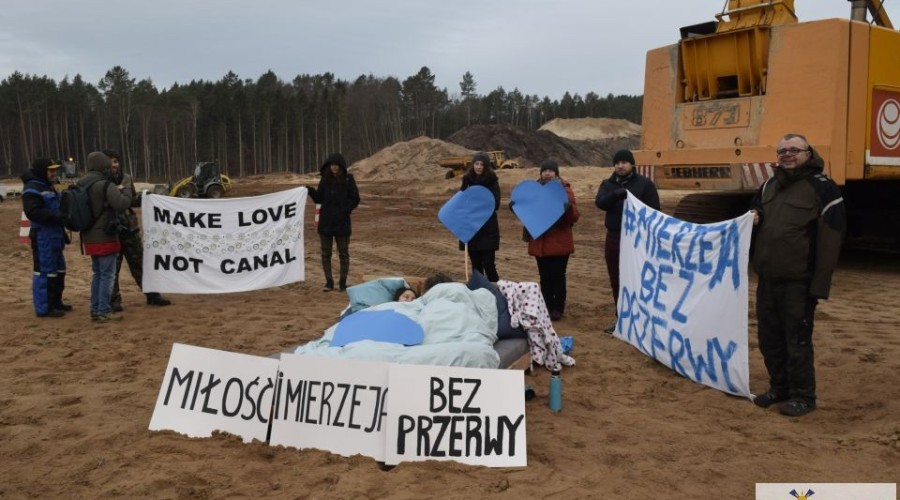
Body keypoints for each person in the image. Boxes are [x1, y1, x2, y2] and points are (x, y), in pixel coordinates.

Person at [750, 133, 845, 417]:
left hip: (799, 283)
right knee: (770, 339)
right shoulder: (769, 184)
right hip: (768, 280)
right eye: (782, 151)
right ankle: (779, 388)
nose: (787, 154)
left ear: (807, 153)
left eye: (794, 149)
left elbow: (832, 237)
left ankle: (804, 396)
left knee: (797, 341)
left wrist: (818, 286)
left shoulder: (823, 188)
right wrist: (755, 214)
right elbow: (756, 211)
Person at [595, 148, 660, 333]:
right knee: (616, 279)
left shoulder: (645, 185)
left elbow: (655, 210)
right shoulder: (608, 184)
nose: (620, 166)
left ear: (632, 164)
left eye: (624, 162)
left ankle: (642, 321)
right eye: (617, 162)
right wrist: (616, 194)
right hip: (614, 238)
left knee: (639, 279)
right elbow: (600, 203)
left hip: (637, 240)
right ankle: (622, 319)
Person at [104, 150, 172, 310]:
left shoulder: (126, 178)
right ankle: (114, 301)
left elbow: (131, 199)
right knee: (113, 267)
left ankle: (152, 295)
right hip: (111, 229)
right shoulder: (100, 181)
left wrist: (144, 198)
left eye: (116, 161)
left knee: (140, 263)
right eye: (111, 161)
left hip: (129, 227)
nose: (115, 164)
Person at [79, 151, 133, 322]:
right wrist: (127, 191)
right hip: (105, 236)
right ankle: (103, 310)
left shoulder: (82, 183)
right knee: (107, 275)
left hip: (88, 236)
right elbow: (122, 204)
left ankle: (95, 309)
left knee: (97, 274)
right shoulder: (105, 185)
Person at [525, 159, 579, 321]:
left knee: (557, 276)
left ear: (556, 173)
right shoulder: (533, 190)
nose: (547, 173)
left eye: (551, 170)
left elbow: (574, 216)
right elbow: (529, 214)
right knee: (544, 277)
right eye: (544, 170)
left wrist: (568, 209)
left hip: (558, 241)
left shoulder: (564, 190)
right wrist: (517, 208)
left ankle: (558, 308)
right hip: (540, 241)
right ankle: (547, 306)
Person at [21, 158, 70, 317]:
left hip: (55, 235)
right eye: (51, 170)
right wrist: (57, 216)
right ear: (43, 171)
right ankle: (45, 308)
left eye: (55, 170)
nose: (54, 173)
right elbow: (33, 212)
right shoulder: (32, 188)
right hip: (43, 236)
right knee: (44, 272)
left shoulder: (48, 186)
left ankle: (56, 302)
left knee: (59, 270)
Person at [307, 153, 360, 292]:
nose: (334, 167)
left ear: (341, 166)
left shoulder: (348, 180)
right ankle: (329, 282)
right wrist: (310, 191)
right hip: (326, 223)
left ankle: (342, 283)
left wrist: (346, 209)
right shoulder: (325, 180)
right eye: (331, 165)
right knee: (326, 254)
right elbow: (319, 198)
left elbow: (355, 198)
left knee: (343, 253)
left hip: (342, 223)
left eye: (336, 165)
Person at [459, 151, 501, 281]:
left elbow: (496, 203)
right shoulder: (467, 180)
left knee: (489, 265)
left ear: (486, 166)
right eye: (476, 164)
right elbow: (461, 201)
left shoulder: (492, 181)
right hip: (472, 229)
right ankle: (478, 294)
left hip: (488, 228)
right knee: (476, 268)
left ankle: (496, 292)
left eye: (481, 164)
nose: (478, 167)